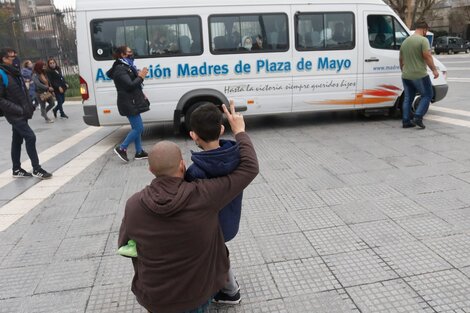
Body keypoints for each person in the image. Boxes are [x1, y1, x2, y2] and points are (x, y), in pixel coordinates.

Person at [118, 101, 259, 313]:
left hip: (153, 298)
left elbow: (126, 248)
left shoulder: (133, 205)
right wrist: (239, 131)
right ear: (182, 166)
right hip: (197, 296)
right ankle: (230, 291)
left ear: (150, 170)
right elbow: (249, 168)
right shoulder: (204, 195)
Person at [185, 103, 245, 304]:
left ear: (193, 135)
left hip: (208, 230)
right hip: (230, 223)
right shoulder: (238, 159)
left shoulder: (195, 172)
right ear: (221, 129)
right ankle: (229, 289)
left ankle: (226, 290)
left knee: (213, 254)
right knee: (220, 251)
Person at [0, 48, 52, 179]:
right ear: (3, 59)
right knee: (30, 137)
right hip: (14, 113)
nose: (14, 58)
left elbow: (23, 90)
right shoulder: (2, 73)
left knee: (17, 140)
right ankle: (37, 168)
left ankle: (16, 169)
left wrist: (30, 106)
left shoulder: (14, 72)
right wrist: (19, 110)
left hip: (22, 111)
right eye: (11, 56)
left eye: (14, 55)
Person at [106, 45, 150, 162]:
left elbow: (133, 86)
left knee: (136, 127)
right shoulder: (120, 69)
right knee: (139, 128)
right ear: (122, 55)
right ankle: (122, 148)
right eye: (129, 52)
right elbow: (129, 85)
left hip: (132, 101)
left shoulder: (127, 66)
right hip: (128, 102)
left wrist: (141, 93)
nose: (132, 53)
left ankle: (139, 152)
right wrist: (141, 76)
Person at [399, 18, 439, 129]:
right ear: (424, 30)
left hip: (406, 75)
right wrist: (434, 70)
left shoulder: (405, 41)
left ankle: (406, 121)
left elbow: (401, 59)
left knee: (408, 98)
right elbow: (427, 56)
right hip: (419, 74)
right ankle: (418, 116)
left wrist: (403, 70)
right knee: (427, 95)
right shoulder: (423, 40)